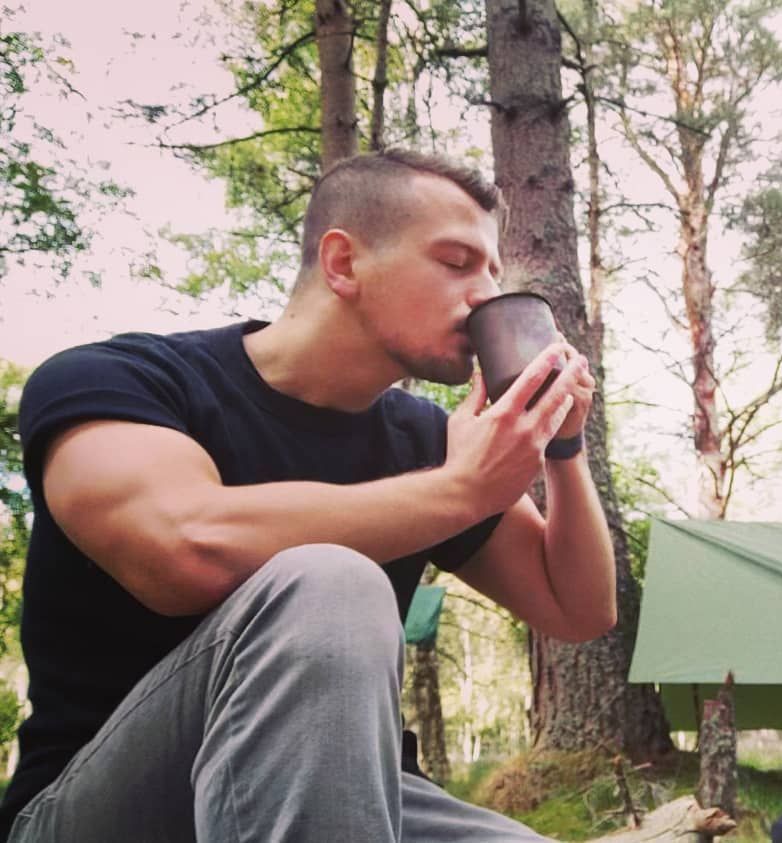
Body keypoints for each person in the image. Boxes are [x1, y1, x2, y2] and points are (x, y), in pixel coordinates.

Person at [0, 149, 616, 841]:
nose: (484, 295)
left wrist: (561, 449)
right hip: (99, 812)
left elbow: (578, 609)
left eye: (492, 271)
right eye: (455, 262)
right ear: (343, 263)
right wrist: (460, 490)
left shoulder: (428, 443)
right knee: (328, 581)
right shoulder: (122, 379)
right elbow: (183, 549)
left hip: (359, 795)